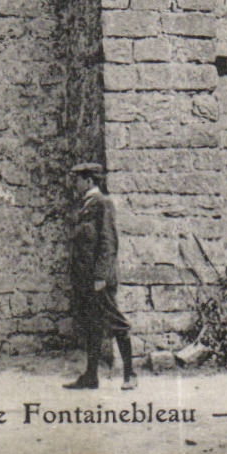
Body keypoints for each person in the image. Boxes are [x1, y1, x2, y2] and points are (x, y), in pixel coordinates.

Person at [64, 162, 135, 391]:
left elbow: (108, 242)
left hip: (99, 279)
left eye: (77, 179)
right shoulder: (86, 204)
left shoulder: (103, 203)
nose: (74, 184)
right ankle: (91, 377)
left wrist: (101, 276)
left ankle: (130, 374)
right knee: (92, 326)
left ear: (89, 180)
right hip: (86, 279)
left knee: (116, 323)